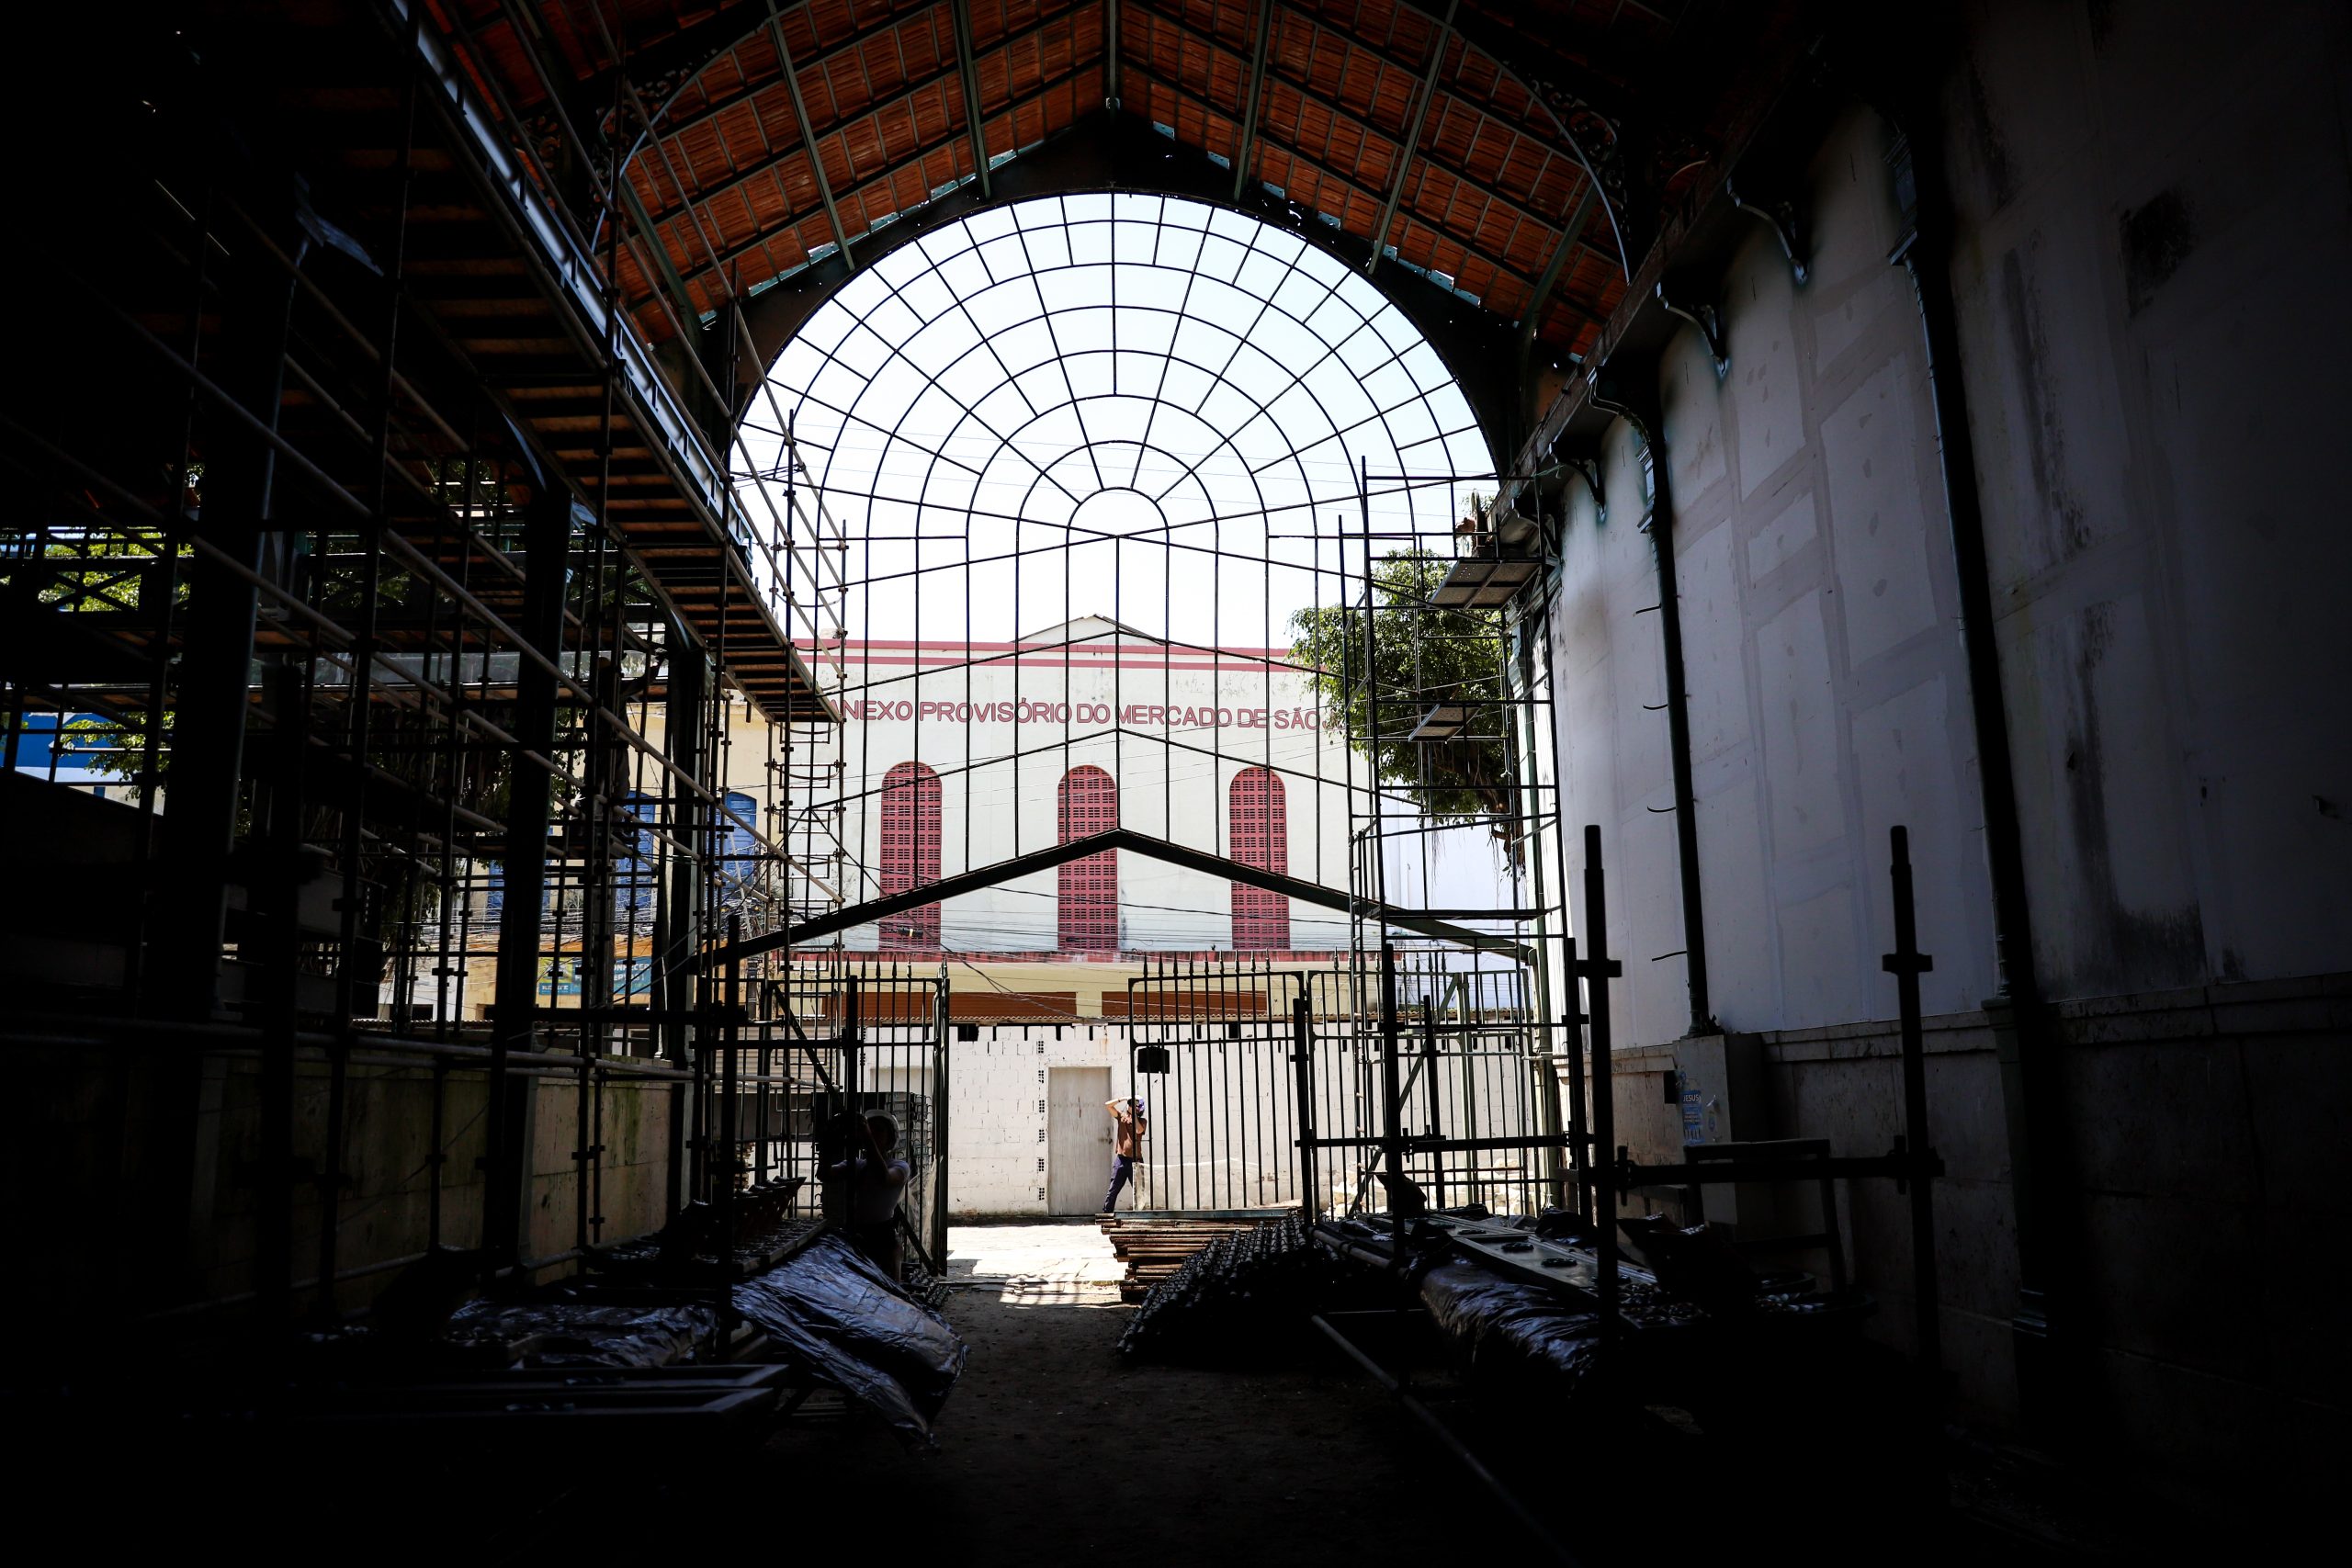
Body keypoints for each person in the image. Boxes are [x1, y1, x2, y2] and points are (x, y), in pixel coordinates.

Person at [822, 1111, 911, 1280]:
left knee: (886, 1287)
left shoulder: (900, 1167)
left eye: (879, 1130)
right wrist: (828, 1143)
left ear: (890, 1138)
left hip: (883, 1239)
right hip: (856, 1234)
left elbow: (884, 1178)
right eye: (871, 1129)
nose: (873, 1134)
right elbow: (825, 1174)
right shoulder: (857, 1164)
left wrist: (866, 1136)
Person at [1100, 1095, 1148, 1214]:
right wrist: (1123, 1099)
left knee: (1139, 1190)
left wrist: (1134, 1114)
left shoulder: (1142, 1121)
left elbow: (1139, 1130)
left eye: (1135, 1105)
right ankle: (1107, 1213)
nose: (1132, 1106)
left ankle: (1141, 1214)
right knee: (1113, 1188)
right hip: (1121, 1160)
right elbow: (1107, 1105)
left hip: (1136, 1160)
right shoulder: (1122, 1116)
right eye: (1131, 1104)